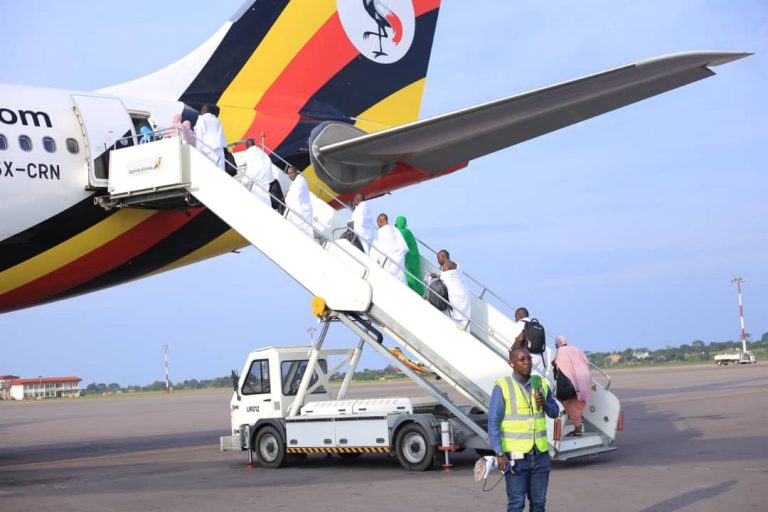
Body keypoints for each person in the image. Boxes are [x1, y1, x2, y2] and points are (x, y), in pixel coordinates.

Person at [489, 347, 559, 512]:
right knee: (516, 504)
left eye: (528, 359)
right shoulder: (503, 386)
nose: (527, 362)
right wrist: (499, 453)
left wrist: (545, 404)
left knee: (539, 504)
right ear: (511, 363)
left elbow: (555, 412)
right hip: (516, 458)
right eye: (522, 359)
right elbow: (493, 421)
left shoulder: (540, 384)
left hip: (540, 455)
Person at [553, 336, 592, 437]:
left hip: (571, 381)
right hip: (583, 379)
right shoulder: (575, 348)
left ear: (557, 344)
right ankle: (577, 425)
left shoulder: (561, 351)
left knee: (570, 404)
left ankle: (577, 429)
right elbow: (585, 361)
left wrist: (553, 364)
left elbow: (559, 364)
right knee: (578, 404)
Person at [372, 213, 409, 282]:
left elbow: (377, 249)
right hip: (399, 260)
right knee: (400, 279)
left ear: (381, 221)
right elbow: (403, 246)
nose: (377, 225)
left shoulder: (381, 231)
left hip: (389, 262)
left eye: (377, 222)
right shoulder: (395, 229)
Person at [513, 307, 549, 376]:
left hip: (527, 359)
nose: (515, 320)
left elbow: (519, 340)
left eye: (515, 317)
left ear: (518, 316)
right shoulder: (536, 327)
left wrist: (511, 350)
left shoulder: (519, 325)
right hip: (541, 360)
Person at [394, 216, 424, 295]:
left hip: (409, 257)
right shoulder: (407, 231)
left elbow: (400, 247)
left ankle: (417, 294)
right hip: (414, 256)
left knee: (410, 276)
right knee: (416, 275)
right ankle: (421, 292)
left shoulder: (402, 232)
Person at [240, 138, 273, 207]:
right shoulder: (260, 151)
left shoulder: (247, 153)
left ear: (246, 146)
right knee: (265, 193)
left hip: (256, 177)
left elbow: (243, 161)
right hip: (265, 177)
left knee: (246, 185)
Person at [284, 165, 314, 239]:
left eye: (292, 173)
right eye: (288, 173)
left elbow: (295, 196)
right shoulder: (297, 182)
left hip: (303, 211)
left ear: (296, 172)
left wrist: (287, 195)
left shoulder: (300, 181)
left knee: (306, 232)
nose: (290, 175)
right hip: (301, 211)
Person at [194, 104, 227, 170]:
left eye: (202, 110)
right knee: (220, 170)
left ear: (205, 110)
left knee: (209, 170)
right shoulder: (217, 120)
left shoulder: (201, 119)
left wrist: (198, 151)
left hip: (208, 149)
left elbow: (199, 136)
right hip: (219, 149)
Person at [439, 260, 471, 326]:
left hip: (457, 297)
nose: (437, 260)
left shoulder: (447, 266)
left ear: (442, 256)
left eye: (438, 258)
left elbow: (444, 278)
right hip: (464, 295)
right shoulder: (457, 268)